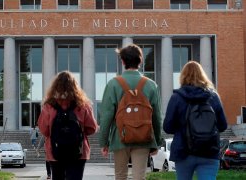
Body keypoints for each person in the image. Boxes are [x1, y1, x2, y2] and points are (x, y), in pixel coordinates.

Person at [98, 44, 162, 180]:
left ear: (122, 61)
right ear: (140, 61)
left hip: (119, 138)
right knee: (139, 177)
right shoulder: (151, 85)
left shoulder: (113, 84)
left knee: (120, 176)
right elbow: (156, 117)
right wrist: (156, 142)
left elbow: (106, 116)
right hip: (143, 138)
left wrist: (104, 142)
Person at [163, 61, 228, 180]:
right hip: (209, 151)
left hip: (183, 151)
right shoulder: (213, 97)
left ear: (182, 76)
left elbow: (167, 127)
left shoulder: (176, 97)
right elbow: (223, 125)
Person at [38, 71, 98, 180]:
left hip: (55, 150)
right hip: (78, 150)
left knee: (57, 177)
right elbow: (92, 128)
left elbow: (44, 130)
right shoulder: (83, 105)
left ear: (55, 86)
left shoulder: (49, 106)